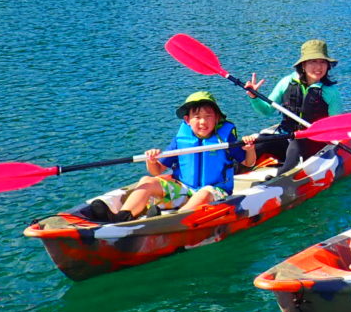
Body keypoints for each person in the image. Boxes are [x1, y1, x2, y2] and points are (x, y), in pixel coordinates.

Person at [91, 91, 256, 222]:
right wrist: (152, 160)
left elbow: (249, 162)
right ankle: (122, 217)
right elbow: (157, 171)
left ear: (217, 118)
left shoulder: (225, 138)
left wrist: (250, 149)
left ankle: (172, 220)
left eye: (208, 117)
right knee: (147, 181)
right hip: (184, 188)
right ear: (187, 120)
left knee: (203, 194)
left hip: (215, 191)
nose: (202, 122)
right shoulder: (181, 139)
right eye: (197, 117)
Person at [243, 39, 342, 172]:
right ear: (303, 65)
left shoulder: (330, 92)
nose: (318, 67)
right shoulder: (286, 82)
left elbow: (336, 126)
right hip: (285, 136)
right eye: (313, 61)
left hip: (311, 141)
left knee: (295, 146)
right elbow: (266, 111)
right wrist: (254, 97)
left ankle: (278, 179)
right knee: (257, 144)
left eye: (322, 62)